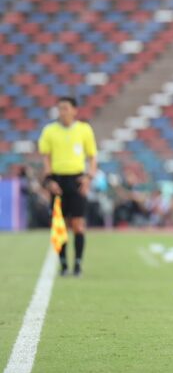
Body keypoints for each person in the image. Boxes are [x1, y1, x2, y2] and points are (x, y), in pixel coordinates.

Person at [38, 96, 97, 276]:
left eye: (65, 108)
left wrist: (88, 177)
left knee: (78, 224)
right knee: (59, 225)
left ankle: (78, 263)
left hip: (76, 179)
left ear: (74, 110)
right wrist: (49, 180)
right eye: (60, 108)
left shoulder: (84, 130)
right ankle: (63, 264)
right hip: (58, 180)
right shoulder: (49, 131)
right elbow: (46, 157)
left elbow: (92, 156)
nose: (62, 112)